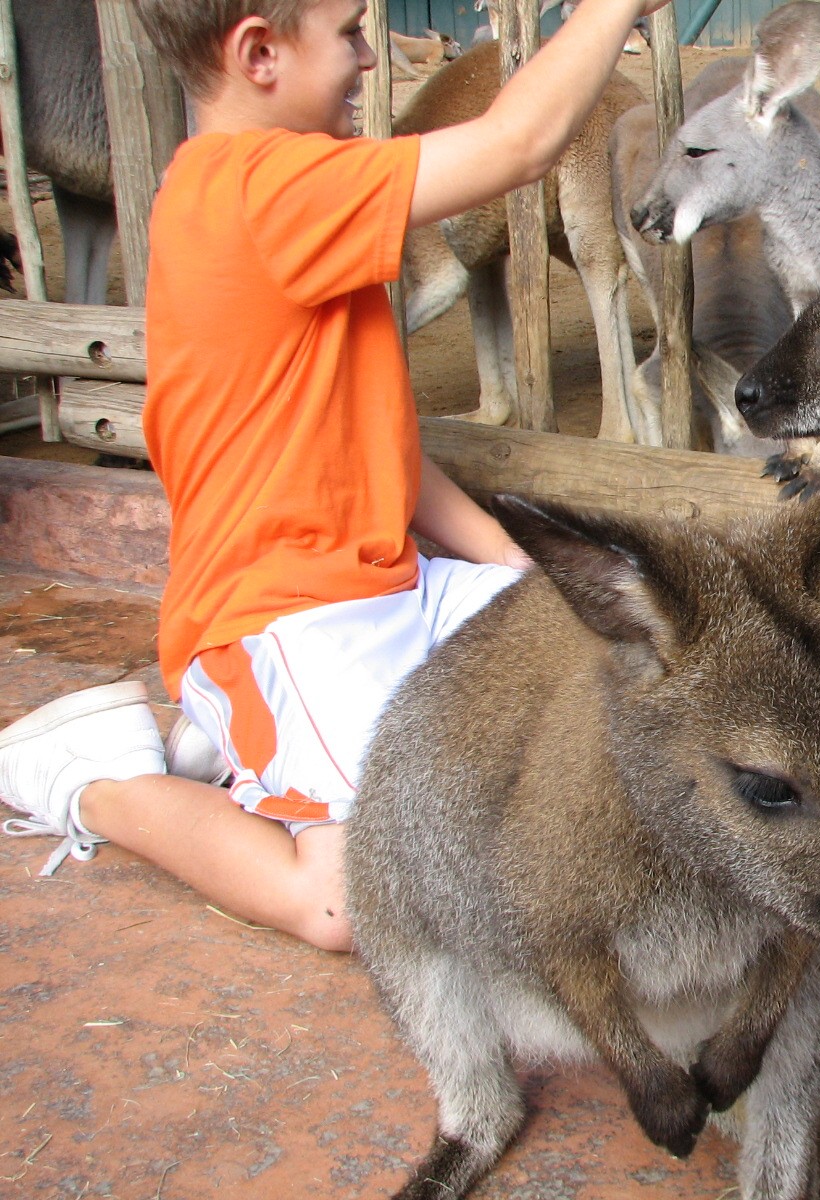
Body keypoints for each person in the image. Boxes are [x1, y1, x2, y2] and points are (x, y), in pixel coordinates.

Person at [0, 0, 665, 951]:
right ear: (260, 53)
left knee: (617, 654)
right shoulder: (267, 187)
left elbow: (378, 438)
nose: (367, 58)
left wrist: (514, 563)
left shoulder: (275, 191)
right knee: (346, 903)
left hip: (391, 585)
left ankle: (237, 749)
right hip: (279, 614)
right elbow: (519, 144)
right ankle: (94, 780)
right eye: (351, 32)